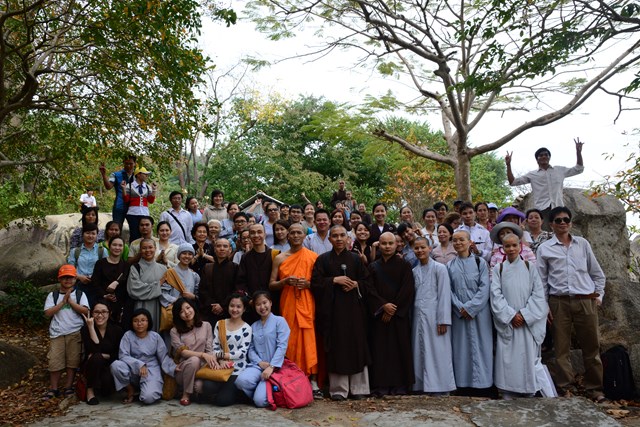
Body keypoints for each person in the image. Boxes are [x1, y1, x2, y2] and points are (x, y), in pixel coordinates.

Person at [537, 206, 606, 402]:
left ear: (571, 222)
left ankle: (595, 389)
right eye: (558, 220)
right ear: (551, 225)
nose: (563, 223)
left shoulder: (582, 244)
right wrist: (545, 306)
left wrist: (599, 296)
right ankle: (566, 388)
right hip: (558, 302)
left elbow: (597, 273)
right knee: (561, 349)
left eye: (566, 219)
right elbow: (541, 281)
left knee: (592, 347)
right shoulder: (545, 248)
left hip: (585, 301)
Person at [311, 225, 371, 401]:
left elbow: (368, 282)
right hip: (333, 312)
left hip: (354, 311)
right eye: (335, 236)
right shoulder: (322, 260)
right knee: (337, 347)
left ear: (348, 238)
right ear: (329, 239)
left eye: (342, 235)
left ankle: (359, 388)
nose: (338, 239)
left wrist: (356, 284)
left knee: (357, 346)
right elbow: (315, 283)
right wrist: (333, 280)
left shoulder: (356, 259)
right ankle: (339, 389)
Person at [490, 233, 548, 399]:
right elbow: (495, 295)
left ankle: (528, 390)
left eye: (514, 245)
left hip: (527, 323)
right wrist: (510, 315)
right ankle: (507, 391)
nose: (511, 249)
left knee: (527, 357)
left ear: (520, 246)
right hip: (509, 322)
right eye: (507, 246)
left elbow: (538, 294)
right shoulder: (498, 269)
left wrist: (524, 314)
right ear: (502, 248)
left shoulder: (530, 267)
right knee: (508, 358)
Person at [269, 223, 320, 397]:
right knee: (289, 339)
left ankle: (313, 380)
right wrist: (284, 282)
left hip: (307, 302)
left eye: (299, 232)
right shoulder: (279, 258)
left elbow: (320, 284)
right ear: (287, 235)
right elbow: (271, 284)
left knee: (309, 339)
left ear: (305, 236)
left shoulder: (313, 257)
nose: (296, 235)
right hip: (288, 303)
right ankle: (293, 377)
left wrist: (308, 284)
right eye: (292, 232)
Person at [366, 232, 415, 396]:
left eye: (390, 243)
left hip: (398, 317)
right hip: (380, 317)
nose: (387, 247)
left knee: (399, 350)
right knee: (379, 350)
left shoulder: (405, 265)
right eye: (384, 243)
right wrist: (383, 306)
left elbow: (407, 289)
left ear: (396, 245)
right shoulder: (373, 266)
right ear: (378, 245)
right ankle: (380, 385)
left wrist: (393, 309)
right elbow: (369, 290)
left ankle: (400, 385)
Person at [447, 230, 493, 393]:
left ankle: (483, 385)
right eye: (455, 240)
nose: (458, 243)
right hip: (459, 313)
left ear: (469, 242)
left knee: (483, 346)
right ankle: (462, 384)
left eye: (462, 239)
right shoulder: (449, 266)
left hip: (480, 313)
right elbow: (448, 290)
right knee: (461, 348)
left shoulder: (481, 263)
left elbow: (485, 287)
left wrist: (471, 308)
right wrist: (460, 307)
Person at [411, 237, 455, 395]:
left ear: (430, 248)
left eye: (423, 247)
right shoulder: (414, 271)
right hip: (418, 315)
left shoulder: (440, 268)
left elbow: (444, 294)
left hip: (435, 316)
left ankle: (441, 386)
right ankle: (421, 385)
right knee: (419, 350)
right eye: (416, 248)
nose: (420, 251)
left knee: (438, 351)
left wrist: (443, 319)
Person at [506, 139, 585, 223]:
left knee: (560, 229)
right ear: (537, 159)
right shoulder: (532, 175)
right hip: (542, 210)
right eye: (541, 155)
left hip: (559, 208)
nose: (544, 156)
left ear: (549, 157)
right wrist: (508, 165)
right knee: (544, 231)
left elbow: (579, 169)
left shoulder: (559, 170)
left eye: (546, 155)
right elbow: (513, 182)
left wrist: (578, 152)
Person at [235, 290, 291, 408]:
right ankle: (259, 392)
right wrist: (259, 362)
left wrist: (272, 366)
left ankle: (264, 394)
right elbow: (250, 348)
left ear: (270, 303)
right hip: (258, 366)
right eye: (258, 304)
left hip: (275, 367)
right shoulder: (254, 326)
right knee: (241, 381)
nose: (262, 307)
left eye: (264, 303)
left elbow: (282, 346)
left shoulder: (280, 321)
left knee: (260, 402)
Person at [43, 265, 90, 400]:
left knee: (72, 361)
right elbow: (47, 313)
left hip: (75, 332)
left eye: (70, 277)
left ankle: (68, 387)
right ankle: (54, 388)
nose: (68, 280)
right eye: (64, 278)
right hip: (57, 332)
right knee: (54, 361)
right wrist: (63, 302)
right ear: (59, 279)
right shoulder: (53, 295)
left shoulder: (80, 294)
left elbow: (86, 311)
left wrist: (71, 302)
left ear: (75, 279)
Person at [110, 308, 176, 404]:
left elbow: (164, 357)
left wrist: (174, 368)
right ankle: (130, 390)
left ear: (148, 322)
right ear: (132, 323)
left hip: (151, 369)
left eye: (143, 320)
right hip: (132, 368)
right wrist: (139, 364)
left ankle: (143, 391)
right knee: (116, 365)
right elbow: (123, 355)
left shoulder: (155, 336)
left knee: (148, 398)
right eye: (136, 321)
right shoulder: (128, 335)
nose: (139, 323)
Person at [199, 292, 253, 406]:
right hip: (221, 366)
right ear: (227, 307)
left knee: (222, 401)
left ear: (244, 309)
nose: (235, 309)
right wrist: (221, 361)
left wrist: (224, 356)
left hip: (236, 369)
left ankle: (233, 392)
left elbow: (242, 352)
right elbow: (215, 345)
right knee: (207, 386)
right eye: (232, 306)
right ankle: (226, 390)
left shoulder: (247, 328)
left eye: (238, 306)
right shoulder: (220, 324)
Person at [170, 298, 214, 406]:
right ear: (178, 315)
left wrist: (213, 360)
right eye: (181, 311)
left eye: (188, 308)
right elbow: (183, 352)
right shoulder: (174, 331)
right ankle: (186, 394)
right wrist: (202, 354)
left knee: (199, 387)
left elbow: (209, 349)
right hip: (184, 368)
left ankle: (188, 389)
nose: (186, 312)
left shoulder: (206, 325)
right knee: (194, 360)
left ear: (193, 307)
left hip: (202, 369)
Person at [80, 300, 123, 405]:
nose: (100, 315)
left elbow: (119, 354)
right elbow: (94, 350)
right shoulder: (85, 329)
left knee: (106, 390)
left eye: (104, 312)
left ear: (110, 313)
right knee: (96, 358)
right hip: (91, 365)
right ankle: (90, 390)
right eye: (96, 312)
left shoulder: (117, 330)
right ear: (92, 313)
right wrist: (91, 327)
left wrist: (105, 355)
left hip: (109, 366)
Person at [236, 224, 279, 324]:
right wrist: (249, 300)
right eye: (252, 233)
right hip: (253, 305)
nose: (256, 235)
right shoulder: (245, 257)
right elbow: (240, 282)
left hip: (272, 304)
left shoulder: (275, 254)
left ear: (265, 234)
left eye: (259, 232)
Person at [127, 239, 167, 332]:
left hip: (158, 306)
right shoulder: (135, 268)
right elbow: (134, 289)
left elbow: (167, 289)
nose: (148, 250)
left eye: (150, 247)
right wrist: (158, 285)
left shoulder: (163, 268)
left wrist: (148, 286)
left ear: (155, 249)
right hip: (140, 305)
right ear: (140, 250)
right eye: (144, 248)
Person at [91, 236, 130, 326]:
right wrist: (104, 295)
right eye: (114, 245)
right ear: (109, 246)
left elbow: (125, 280)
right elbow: (95, 283)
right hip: (102, 303)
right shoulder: (100, 263)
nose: (117, 248)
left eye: (120, 245)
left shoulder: (126, 265)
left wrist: (116, 282)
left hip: (120, 305)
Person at [68, 222, 107, 308]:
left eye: (93, 233)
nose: (90, 236)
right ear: (82, 234)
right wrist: (79, 277)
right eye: (87, 233)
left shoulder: (102, 251)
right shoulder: (75, 251)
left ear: (97, 235)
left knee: (95, 308)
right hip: (79, 284)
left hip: (96, 286)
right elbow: (70, 270)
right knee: (79, 307)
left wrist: (95, 277)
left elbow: (105, 269)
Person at [199, 238, 238, 325]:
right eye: (219, 246)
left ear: (230, 250)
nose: (222, 248)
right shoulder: (207, 267)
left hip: (229, 311)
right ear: (214, 249)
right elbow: (202, 290)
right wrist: (213, 305)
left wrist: (223, 305)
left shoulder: (235, 268)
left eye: (225, 246)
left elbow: (236, 290)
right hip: (210, 311)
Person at [160, 244, 200, 327]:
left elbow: (198, 294)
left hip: (189, 313)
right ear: (179, 255)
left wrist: (193, 296)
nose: (187, 256)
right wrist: (175, 300)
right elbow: (163, 293)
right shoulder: (170, 273)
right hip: (174, 311)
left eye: (190, 254)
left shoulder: (195, 276)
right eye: (184, 253)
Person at [122, 166, 157, 243]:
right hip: (133, 213)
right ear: (138, 174)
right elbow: (126, 200)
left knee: (146, 234)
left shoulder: (147, 187)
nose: (146, 176)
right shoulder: (129, 186)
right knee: (134, 234)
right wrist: (124, 189)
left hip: (145, 213)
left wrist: (154, 190)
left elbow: (151, 201)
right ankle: (133, 249)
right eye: (145, 174)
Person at [99, 155, 136, 226]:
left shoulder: (137, 176)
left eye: (131, 163)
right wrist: (104, 175)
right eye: (126, 163)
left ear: (135, 163)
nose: (128, 166)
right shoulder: (116, 175)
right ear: (123, 163)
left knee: (135, 229)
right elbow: (108, 186)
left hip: (133, 208)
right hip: (119, 207)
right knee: (116, 228)